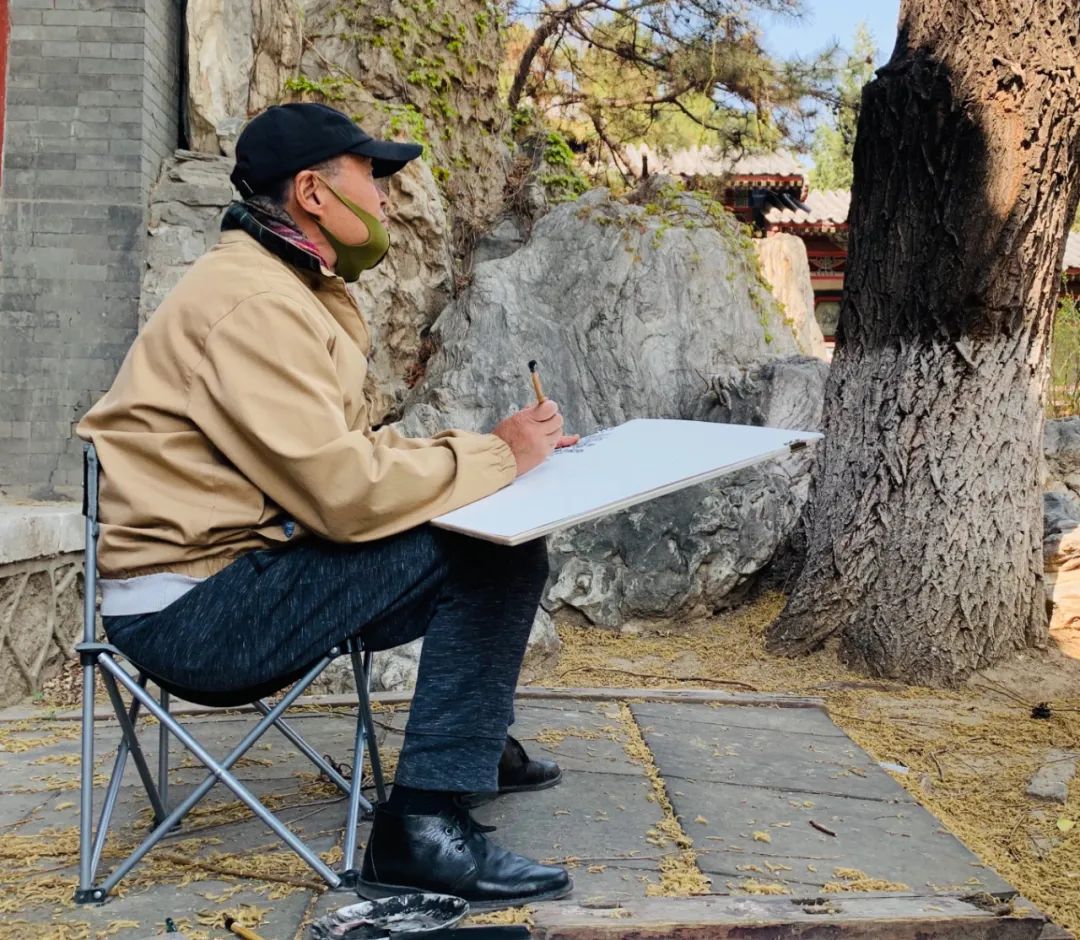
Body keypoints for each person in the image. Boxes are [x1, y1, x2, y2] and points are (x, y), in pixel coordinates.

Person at [77, 102, 579, 909]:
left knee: (488, 522)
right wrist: (494, 458)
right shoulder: (256, 303)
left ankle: (466, 750)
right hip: (198, 613)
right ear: (313, 192)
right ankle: (421, 823)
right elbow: (343, 495)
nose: (384, 201)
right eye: (371, 180)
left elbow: (341, 463)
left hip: (239, 574)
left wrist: (494, 455)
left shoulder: (278, 285)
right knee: (496, 548)